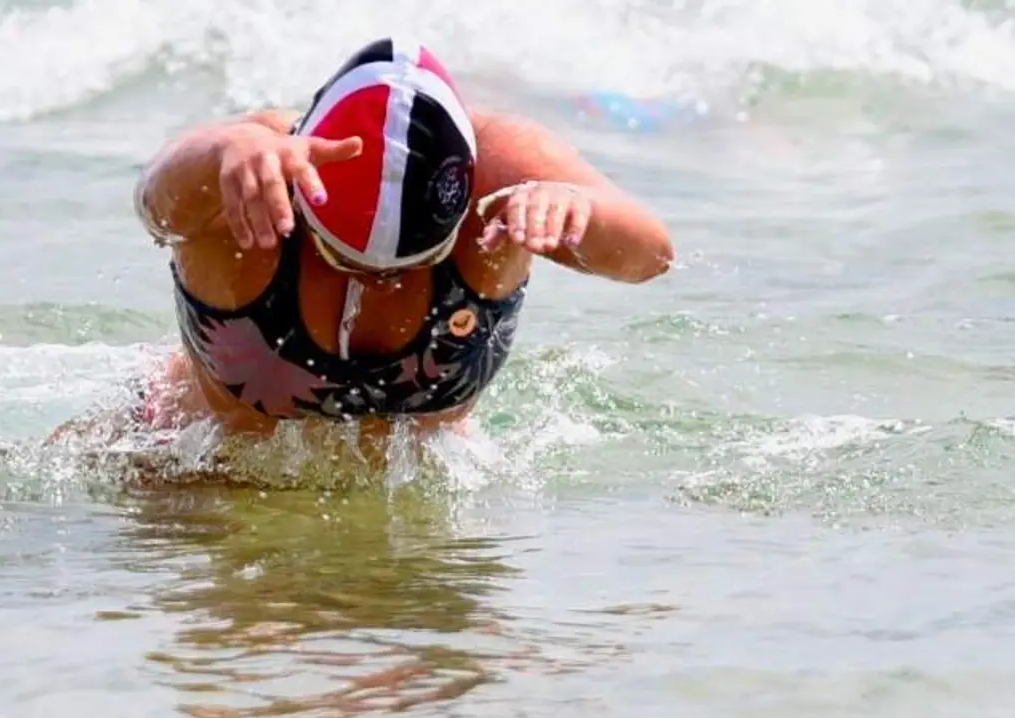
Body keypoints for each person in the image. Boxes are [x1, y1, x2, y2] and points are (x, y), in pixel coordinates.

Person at [52, 37, 672, 476]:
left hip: (414, 490)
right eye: (342, 256)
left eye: (407, 264)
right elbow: (154, 205)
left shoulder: (503, 168)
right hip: (185, 465)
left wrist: (578, 211)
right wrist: (222, 148)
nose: (377, 280)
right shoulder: (251, 170)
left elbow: (652, 258)